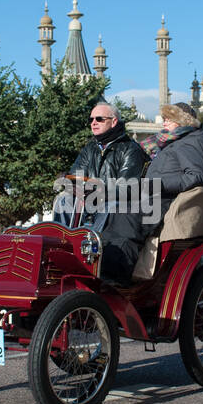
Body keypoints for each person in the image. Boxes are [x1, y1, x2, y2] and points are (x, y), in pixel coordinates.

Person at [63, 101, 147, 285]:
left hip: (116, 206)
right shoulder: (89, 149)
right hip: (89, 203)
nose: (93, 122)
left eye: (99, 119)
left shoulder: (130, 150)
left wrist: (95, 191)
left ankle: (95, 260)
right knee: (62, 200)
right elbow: (75, 177)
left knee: (111, 206)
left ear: (114, 121)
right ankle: (62, 248)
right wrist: (74, 186)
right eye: (91, 119)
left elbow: (127, 188)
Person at [139, 102, 203, 236]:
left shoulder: (190, 143)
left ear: (182, 121)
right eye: (164, 119)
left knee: (121, 221)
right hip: (150, 197)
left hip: (162, 202)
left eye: (168, 119)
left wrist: (159, 184)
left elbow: (195, 176)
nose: (164, 124)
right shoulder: (168, 144)